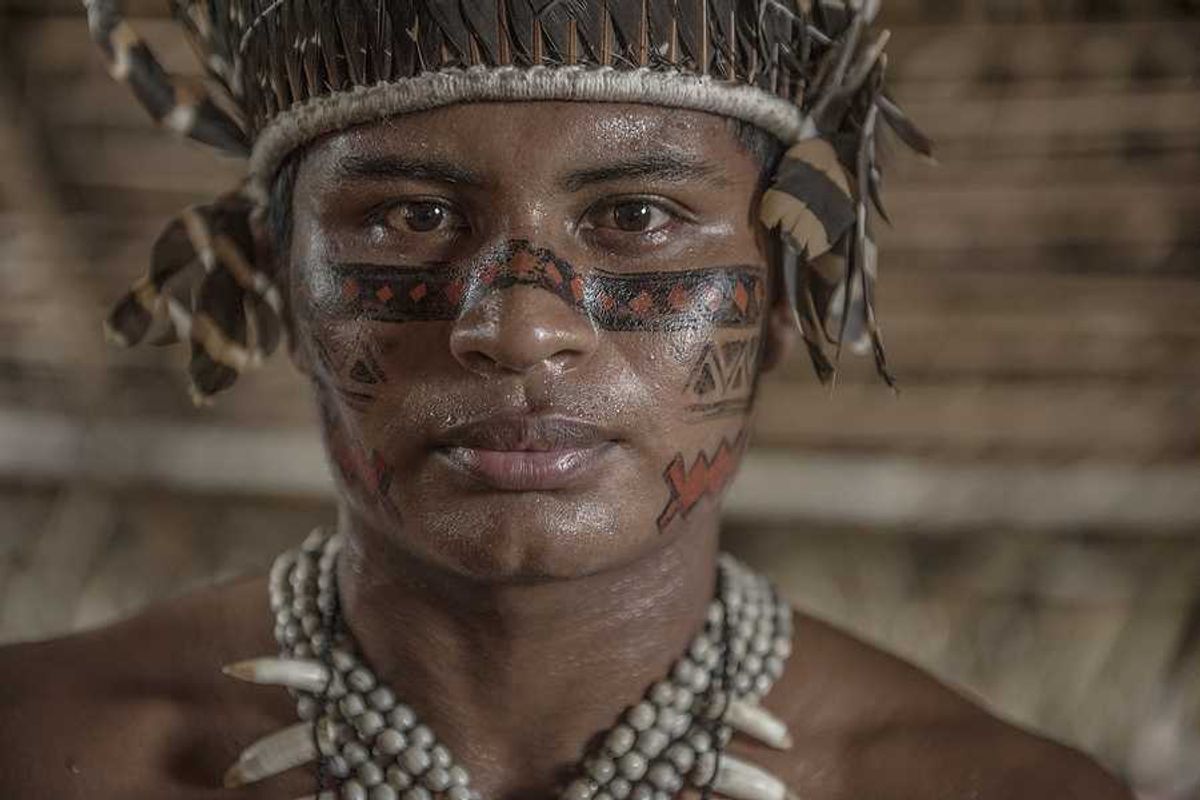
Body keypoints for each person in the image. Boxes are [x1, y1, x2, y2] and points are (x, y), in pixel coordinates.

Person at [0, 1, 1132, 798]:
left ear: (792, 289)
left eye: (637, 217)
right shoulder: (37, 747)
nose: (517, 326)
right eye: (406, 216)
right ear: (279, 285)